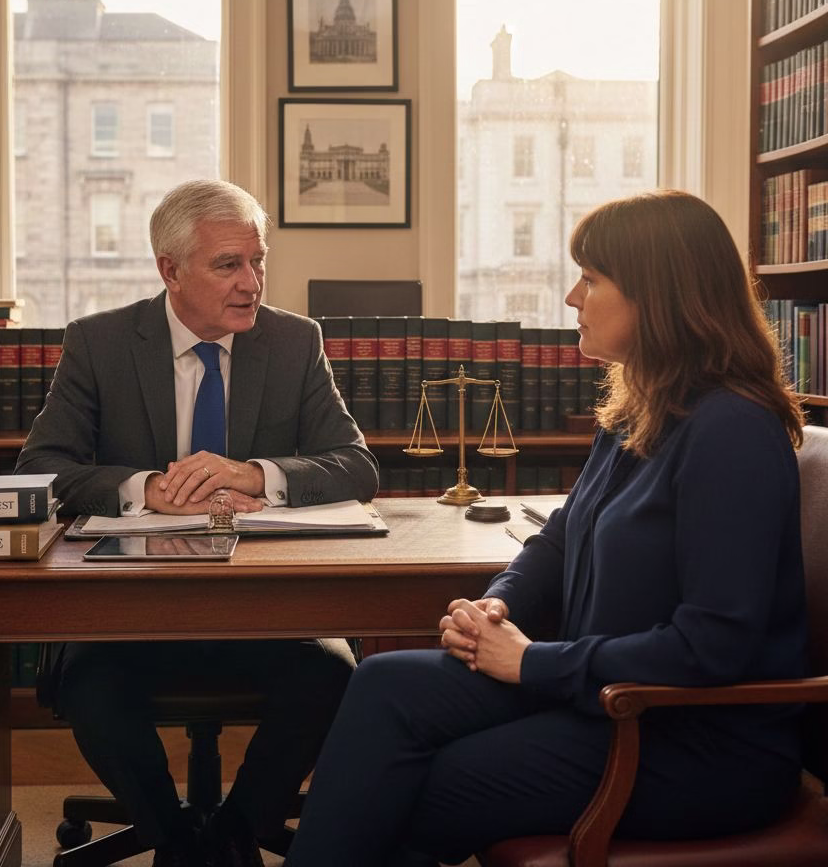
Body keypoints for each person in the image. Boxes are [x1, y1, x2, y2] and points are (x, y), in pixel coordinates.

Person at [282, 189, 808, 867]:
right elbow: (561, 538)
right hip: (608, 699)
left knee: (431, 779)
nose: (570, 298)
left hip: (695, 742)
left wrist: (531, 661)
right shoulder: (638, 409)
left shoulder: (732, 431)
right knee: (384, 684)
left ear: (659, 295)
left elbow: (712, 647)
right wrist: (499, 603)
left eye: (591, 279)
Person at [16, 178, 378, 867]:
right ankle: (175, 839)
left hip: (266, 607)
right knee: (88, 684)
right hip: (130, 610)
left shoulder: (295, 341)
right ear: (169, 270)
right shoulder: (101, 343)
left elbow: (356, 465)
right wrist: (146, 487)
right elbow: (41, 468)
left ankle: (239, 828)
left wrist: (257, 474)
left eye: (258, 260)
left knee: (333, 673)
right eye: (228, 265)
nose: (252, 283)